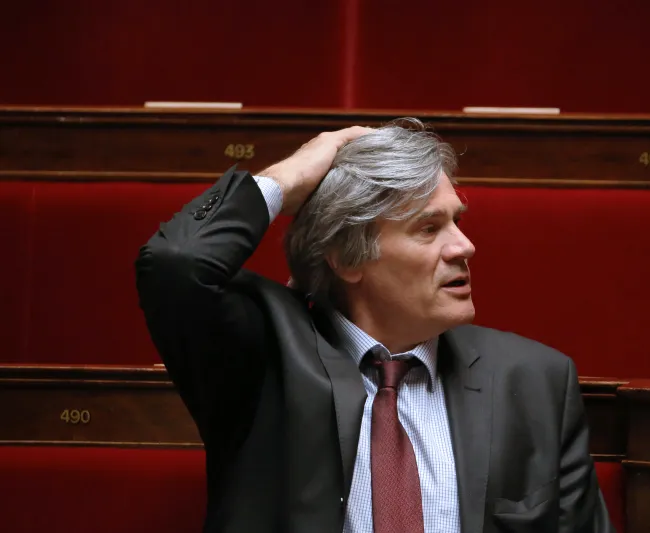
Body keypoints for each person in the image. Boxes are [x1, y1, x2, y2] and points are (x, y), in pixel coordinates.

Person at [135, 118, 613, 533]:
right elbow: (177, 264)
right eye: (429, 228)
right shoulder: (265, 359)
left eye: (457, 221)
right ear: (347, 257)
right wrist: (289, 176)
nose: (464, 246)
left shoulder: (534, 379)